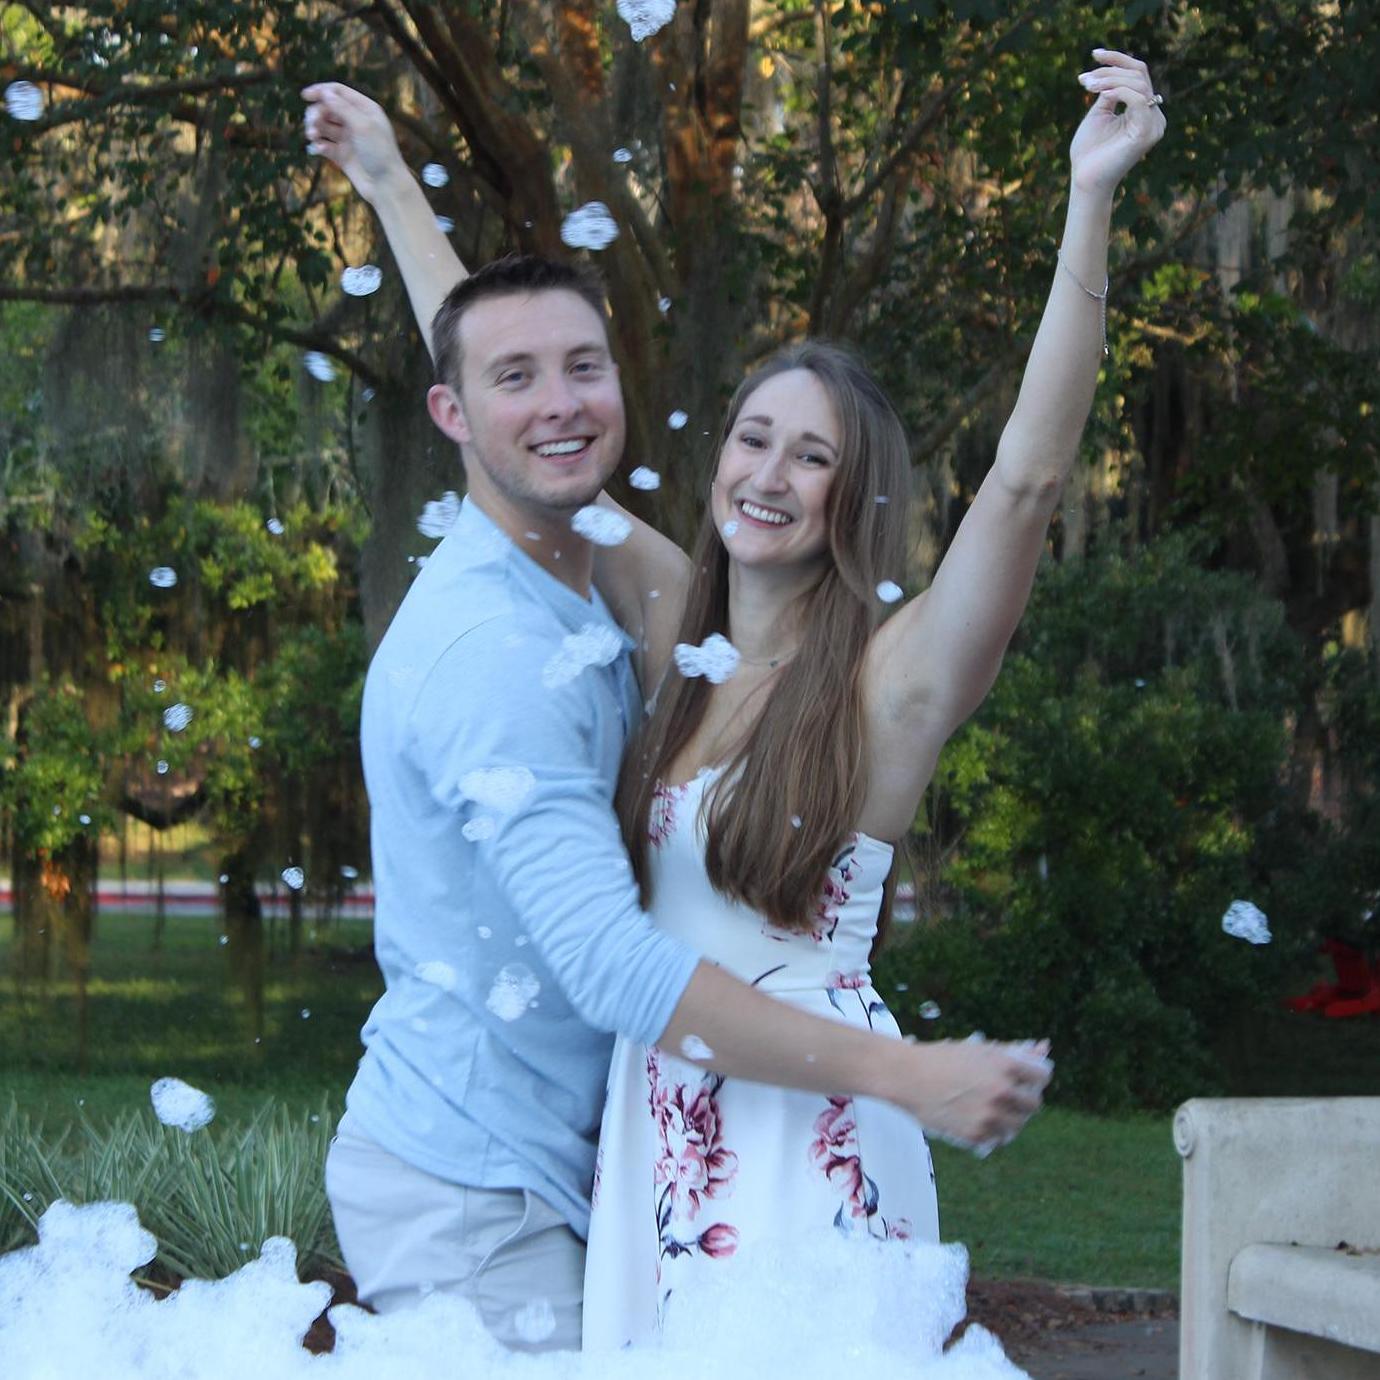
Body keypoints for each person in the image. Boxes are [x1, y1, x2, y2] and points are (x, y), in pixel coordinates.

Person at [303, 84, 1054, 1354]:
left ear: (852, 492)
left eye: (810, 457)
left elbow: (1029, 488)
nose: (768, 475)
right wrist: (386, 183)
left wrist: (1085, 200)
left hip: (805, 1129)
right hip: (655, 1135)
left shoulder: (885, 679)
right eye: (754, 439)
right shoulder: (675, 629)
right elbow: (505, 394)